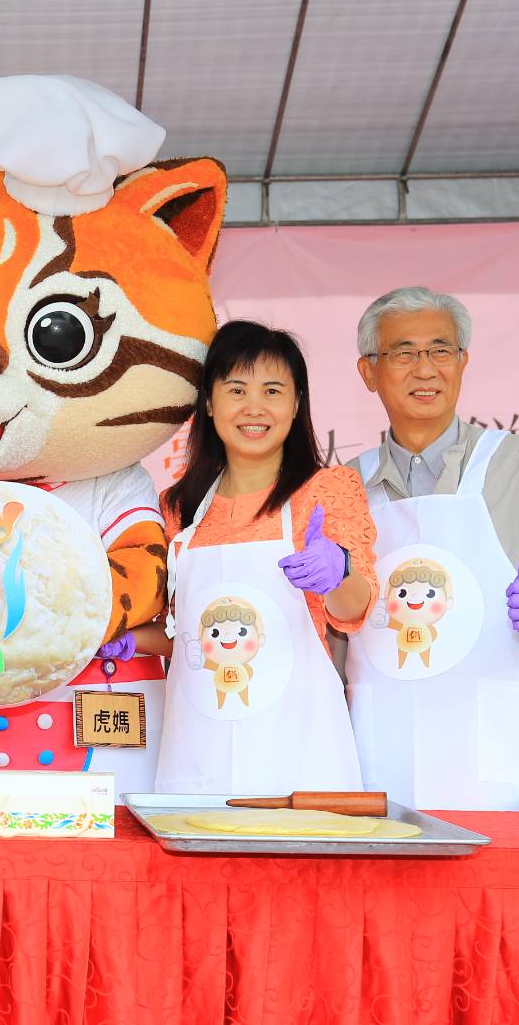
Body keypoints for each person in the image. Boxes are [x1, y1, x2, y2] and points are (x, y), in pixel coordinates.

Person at [342, 286, 519, 809]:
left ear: (463, 362)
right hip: (385, 745)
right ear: (368, 371)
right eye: (404, 353)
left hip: (503, 750)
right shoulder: (345, 486)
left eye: (440, 350)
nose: (425, 369)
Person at [134, 320, 378, 794]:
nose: (254, 407)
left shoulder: (326, 491)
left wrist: (336, 573)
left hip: (301, 759)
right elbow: (184, 637)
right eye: (237, 390)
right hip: (197, 756)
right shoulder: (176, 509)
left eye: (272, 391)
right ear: (209, 402)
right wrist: (122, 639)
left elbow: (354, 609)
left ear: (297, 403)